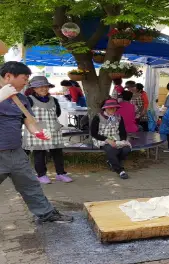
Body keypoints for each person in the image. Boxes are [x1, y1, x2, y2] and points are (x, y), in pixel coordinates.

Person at [0, 61, 73, 223]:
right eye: (24, 78)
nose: (27, 82)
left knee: (30, 185)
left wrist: (39, 132)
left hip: (16, 153)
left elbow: (29, 121)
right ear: (8, 76)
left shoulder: (21, 99)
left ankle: (46, 214)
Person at [23, 76, 72, 184]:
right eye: (40, 87)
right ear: (34, 88)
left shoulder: (53, 100)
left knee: (57, 152)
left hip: (53, 129)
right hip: (38, 130)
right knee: (39, 153)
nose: (44, 89)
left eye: (45, 86)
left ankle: (61, 173)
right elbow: (24, 115)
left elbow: (57, 113)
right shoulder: (29, 100)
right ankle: (41, 175)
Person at [90, 99, 131, 179]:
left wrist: (123, 141)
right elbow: (94, 133)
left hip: (116, 138)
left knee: (126, 149)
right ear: (105, 108)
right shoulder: (97, 117)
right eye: (110, 108)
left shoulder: (119, 117)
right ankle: (120, 170)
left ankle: (112, 162)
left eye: (114, 108)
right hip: (102, 139)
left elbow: (123, 131)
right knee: (111, 150)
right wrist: (107, 140)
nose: (112, 110)